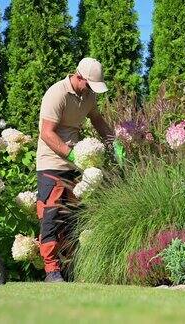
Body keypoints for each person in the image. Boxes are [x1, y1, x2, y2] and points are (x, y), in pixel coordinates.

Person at [36, 57, 113, 283]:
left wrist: (113, 142)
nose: (92, 91)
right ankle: (51, 270)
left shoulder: (88, 96)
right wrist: (70, 154)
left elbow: (97, 120)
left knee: (72, 218)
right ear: (79, 76)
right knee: (50, 216)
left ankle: (68, 269)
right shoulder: (56, 94)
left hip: (76, 165)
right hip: (51, 162)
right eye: (89, 84)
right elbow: (46, 133)